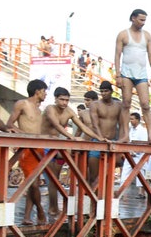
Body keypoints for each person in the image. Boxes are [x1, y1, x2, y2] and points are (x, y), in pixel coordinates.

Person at [41, 87, 104, 216]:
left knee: (55, 180)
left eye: (67, 100)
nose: (64, 102)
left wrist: (99, 138)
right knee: (51, 179)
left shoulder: (69, 111)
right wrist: (71, 137)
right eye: (62, 100)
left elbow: (83, 127)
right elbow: (57, 125)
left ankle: (56, 208)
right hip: (44, 145)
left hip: (57, 147)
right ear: (55, 99)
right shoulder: (50, 109)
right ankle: (52, 208)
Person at [6, 79, 49, 226]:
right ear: (37, 91)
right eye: (44, 91)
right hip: (27, 148)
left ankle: (27, 216)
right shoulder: (22, 104)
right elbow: (9, 124)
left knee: (34, 183)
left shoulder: (39, 109)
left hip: (39, 148)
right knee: (34, 183)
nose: (45, 94)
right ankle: (40, 210)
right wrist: (23, 135)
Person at [115, 9, 151, 145]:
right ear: (133, 18)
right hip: (126, 73)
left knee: (145, 104)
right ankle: (126, 135)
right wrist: (118, 74)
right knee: (126, 102)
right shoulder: (123, 34)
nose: (143, 23)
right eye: (141, 20)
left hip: (141, 73)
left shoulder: (147, 36)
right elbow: (117, 55)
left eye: (145, 20)